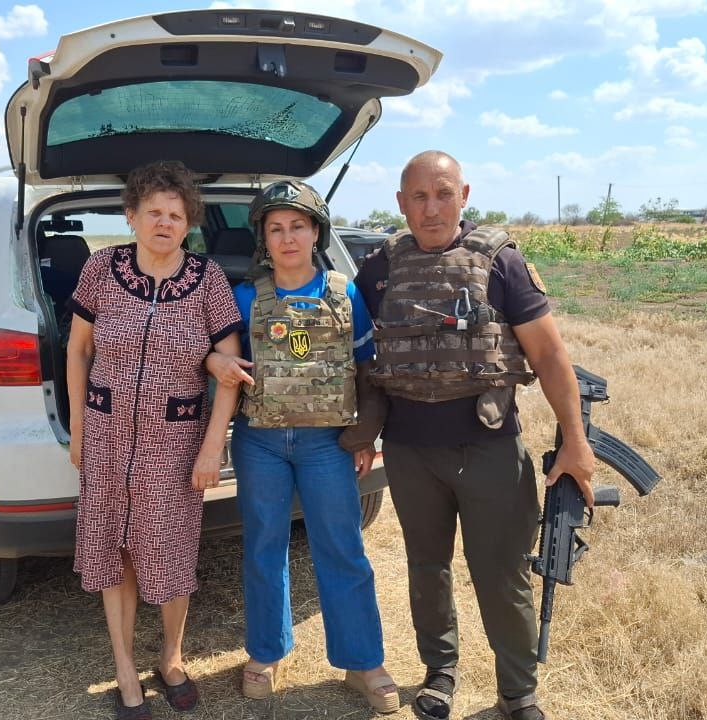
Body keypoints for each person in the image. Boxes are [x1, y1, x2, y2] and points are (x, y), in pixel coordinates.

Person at [352, 151, 596, 720]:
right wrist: (360, 434)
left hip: (489, 448)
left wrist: (575, 441)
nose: (431, 208)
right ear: (401, 203)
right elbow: (361, 359)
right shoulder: (380, 268)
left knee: (502, 573)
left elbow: (549, 356)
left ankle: (518, 692)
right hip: (410, 451)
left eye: (443, 194)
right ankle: (440, 672)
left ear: (464, 195)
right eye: (419, 196)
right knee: (426, 568)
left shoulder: (501, 261)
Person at [205, 180, 398, 713]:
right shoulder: (245, 297)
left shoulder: (345, 293)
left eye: (297, 226)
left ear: (316, 232)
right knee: (263, 547)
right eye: (275, 229)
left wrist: (363, 435)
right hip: (260, 442)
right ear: (263, 239)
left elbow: (367, 369)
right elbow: (220, 361)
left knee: (342, 548)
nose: (287, 238)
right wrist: (213, 363)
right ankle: (266, 653)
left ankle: (364, 662)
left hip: (326, 443)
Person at [66, 160, 244, 720]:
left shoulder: (207, 279)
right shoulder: (101, 269)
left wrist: (212, 447)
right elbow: (78, 350)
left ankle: (171, 657)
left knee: (170, 552)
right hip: (106, 436)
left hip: (175, 444)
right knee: (112, 549)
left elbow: (232, 369)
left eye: (176, 214)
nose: (165, 223)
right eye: (153, 212)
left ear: (189, 223)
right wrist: (78, 428)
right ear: (131, 216)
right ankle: (124, 669)